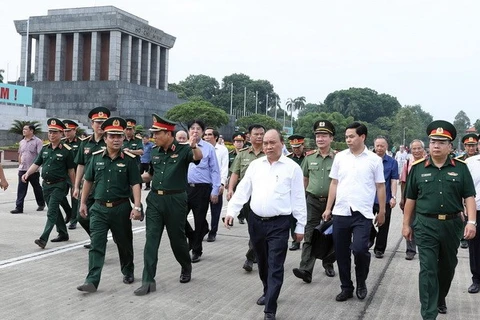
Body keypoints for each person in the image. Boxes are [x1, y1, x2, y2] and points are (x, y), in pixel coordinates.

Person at [225, 129, 306, 320]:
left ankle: (270, 308)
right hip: (256, 222)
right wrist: (231, 211)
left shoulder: (292, 168)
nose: (268, 146)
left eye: (272, 142)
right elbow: (244, 190)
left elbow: (298, 199)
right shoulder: (255, 165)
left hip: (279, 224)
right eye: (266, 143)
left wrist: (300, 227)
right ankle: (267, 290)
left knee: (275, 265)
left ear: (281, 143)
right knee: (262, 263)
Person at [403, 120, 476, 319]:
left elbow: (469, 195)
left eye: (441, 142)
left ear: (450, 146)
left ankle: (439, 297)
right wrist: (406, 224)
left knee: (447, 267)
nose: (436, 145)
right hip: (426, 224)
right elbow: (410, 198)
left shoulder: (461, 168)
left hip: (452, 225)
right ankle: (429, 313)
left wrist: (471, 222)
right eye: (433, 141)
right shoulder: (418, 168)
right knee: (428, 268)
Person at [134, 114, 202, 296]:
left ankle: (186, 266)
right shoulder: (155, 151)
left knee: (177, 240)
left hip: (175, 201)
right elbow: (150, 174)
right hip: (155, 200)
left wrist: (193, 145)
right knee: (151, 241)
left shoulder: (183, 149)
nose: (154, 137)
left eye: (157, 133)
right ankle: (148, 280)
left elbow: (197, 157)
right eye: (153, 133)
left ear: (168, 133)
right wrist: (134, 179)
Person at [76, 117, 142, 293]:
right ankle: (91, 280)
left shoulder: (129, 159)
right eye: (112, 136)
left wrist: (137, 206)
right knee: (96, 245)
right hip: (98, 208)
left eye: (119, 136)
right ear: (105, 138)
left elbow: (136, 183)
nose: (116, 139)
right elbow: (88, 181)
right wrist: (83, 202)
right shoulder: (96, 158)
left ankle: (128, 271)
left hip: (121, 208)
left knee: (124, 243)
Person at [322, 122, 386, 302]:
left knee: (360, 250)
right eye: (346, 137)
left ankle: (361, 282)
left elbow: (380, 186)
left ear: (362, 137)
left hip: (363, 214)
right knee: (341, 253)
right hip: (341, 212)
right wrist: (328, 208)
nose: (348, 140)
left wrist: (382, 211)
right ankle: (346, 287)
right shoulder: (340, 157)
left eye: (351, 136)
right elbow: (334, 183)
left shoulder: (374, 160)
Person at [293, 120, 336, 283]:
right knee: (310, 234)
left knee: (330, 236)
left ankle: (328, 263)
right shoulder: (309, 158)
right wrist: (301, 201)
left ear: (331, 138)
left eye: (324, 135)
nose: (320, 139)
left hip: (332, 203)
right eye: (318, 135)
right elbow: (304, 179)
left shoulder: (338, 158)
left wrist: (331, 207)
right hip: (311, 201)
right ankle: (305, 269)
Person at [23, 118, 76, 249]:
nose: (52, 135)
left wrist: (75, 186)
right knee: (56, 211)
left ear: (61, 134)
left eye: (55, 132)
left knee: (51, 211)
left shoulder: (66, 150)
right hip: (46, 185)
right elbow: (36, 163)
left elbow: (71, 170)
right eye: (50, 132)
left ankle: (43, 238)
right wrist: (27, 173)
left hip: (59, 185)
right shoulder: (45, 149)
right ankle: (63, 233)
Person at [227, 124, 266, 272]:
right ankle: (255, 253)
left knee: (259, 229)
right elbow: (235, 173)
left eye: (262, 133)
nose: (259, 136)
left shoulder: (269, 153)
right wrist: (231, 189)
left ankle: (250, 257)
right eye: (256, 134)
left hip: (263, 195)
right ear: (249, 136)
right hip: (246, 197)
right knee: (253, 228)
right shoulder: (242, 154)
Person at [73, 107, 111, 249]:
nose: (100, 125)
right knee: (81, 216)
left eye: (103, 122)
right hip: (88, 186)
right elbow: (81, 165)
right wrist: (77, 186)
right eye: (97, 122)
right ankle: (97, 238)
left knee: (99, 216)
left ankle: (98, 242)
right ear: (91, 124)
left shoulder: (111, 141)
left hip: (104, 186)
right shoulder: (85, 143)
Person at [185, 119, 221, 263]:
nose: (195, 131)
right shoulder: (182, 147)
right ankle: (193, 237)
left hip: (202, 188)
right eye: (192, 128)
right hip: (185, 188)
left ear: (202, 132)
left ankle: (196, 250)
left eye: (198, 129)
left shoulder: (208, 148)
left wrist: (215, 190)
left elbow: (214, 170)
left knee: (199, 220)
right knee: (179, 218)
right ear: (188, 131)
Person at [369, 136, 399, 259]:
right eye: (377, 146)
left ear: (386, 147)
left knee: (384, 225)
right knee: (364, 221)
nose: (380, 148)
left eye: (382, 146)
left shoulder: (392, 162)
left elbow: (393, 180)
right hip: (369, 198)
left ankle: (379, 249)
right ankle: (371, 235)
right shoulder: (368, 160)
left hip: (385, 198)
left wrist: (393, 196)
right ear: (374, 146)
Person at [399, 139, 426, 260]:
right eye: (414, 148)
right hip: (411, 199)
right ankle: (410, 250)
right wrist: (402, 198)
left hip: (425, 199)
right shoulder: (408, 162)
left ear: (423, 149)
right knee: (409, 223)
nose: (416, 151)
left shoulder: (429, 162)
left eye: (419, 148)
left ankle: (425, 249)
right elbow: (404, 182)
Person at [11, 123, 45, 214]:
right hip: (22, 169)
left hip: (33, 170)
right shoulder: (22, 142)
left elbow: (40, 155)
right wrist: (20, 164)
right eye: (23, 129)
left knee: (36, 188)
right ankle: (19, 207)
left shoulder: (37, 141)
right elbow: (20, 154)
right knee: (21, 189)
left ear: (31, 131)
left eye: (26, 129)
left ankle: (41, 203)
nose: (24, 131)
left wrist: (37, 167)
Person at [203, 128, 229, 242]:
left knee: (215, 211)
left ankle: (213, 232)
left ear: (216, 137)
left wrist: (222, 184)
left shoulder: (222, 150)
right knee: (200, 210)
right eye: (205, 135)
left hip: (216, 184)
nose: (207, 137)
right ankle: (203, 229)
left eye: (209, 135)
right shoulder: (200, 148)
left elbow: (224, 168)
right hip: (203, 184)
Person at [456, 133, 479, 249]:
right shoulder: (459, 161)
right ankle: (463, 237)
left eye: (473, 145)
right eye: (468, 145)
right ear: (464, 146)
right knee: (463, 216)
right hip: (463, 193)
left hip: (476, 195)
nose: (471, 148)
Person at [287, 134, 306, 251]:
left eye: (298, 147)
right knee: (293, 217)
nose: (296, 149)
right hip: (292, 192)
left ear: (303, 145)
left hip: (307, 191)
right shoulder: (288, 159)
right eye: (294, 147)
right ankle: (295, 240)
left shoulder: (308, 158)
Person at [465, 144, 480, 294]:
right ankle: (476, 279)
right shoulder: (470, 163)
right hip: (476, 210)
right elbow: (464, 187)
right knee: (475, 247)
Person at [62, 120, 81, 229]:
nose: (67, 133)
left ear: (75, 130)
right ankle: (69, 212)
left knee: (74, 197)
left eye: (69, 131)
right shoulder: (62, 143)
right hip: (63, 174)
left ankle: (74, 219)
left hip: (76, 172)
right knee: (59, 196)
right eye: (65, 131)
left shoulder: (81, 143)